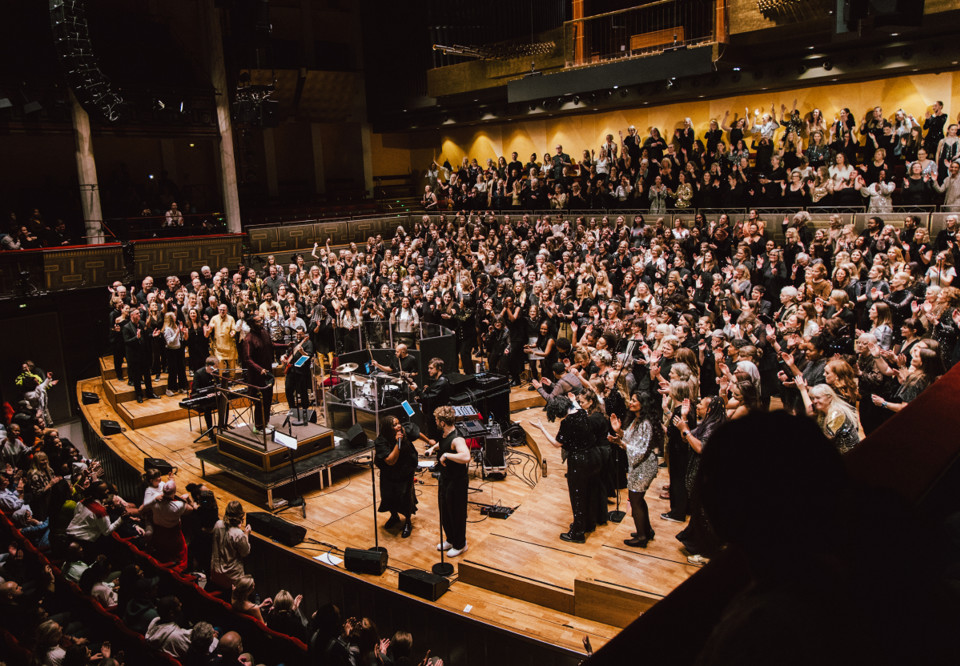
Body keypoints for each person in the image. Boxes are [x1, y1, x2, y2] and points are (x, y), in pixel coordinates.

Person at [535, 395, 602, 544]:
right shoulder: (582, 412)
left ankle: (577, 533)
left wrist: (542, 429)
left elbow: (557, 444)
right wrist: (572, 400)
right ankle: (588, 524)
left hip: (579, 461)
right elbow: (575, 405)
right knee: (590, 492)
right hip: (594, 456)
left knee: (578, 496)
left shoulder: (567, 422)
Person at [609, 392, 658, 547]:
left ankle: (642, 537)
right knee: (639, 499)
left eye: (634, 401)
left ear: (643, 404)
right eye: (631, 399)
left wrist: (621, 444)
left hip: (644, 465)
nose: (630, 402)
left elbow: (641, 450)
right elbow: (632, 440)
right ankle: (646, 530)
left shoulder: (645, 424)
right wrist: (619, 432)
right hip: (639, 464)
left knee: (635, 500)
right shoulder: (636, 420)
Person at [425, 406, 470, 557]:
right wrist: (433, 449)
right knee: (445, 511)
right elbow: (442, 443)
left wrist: (446, 455)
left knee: (456, 513)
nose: (435, 422)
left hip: (457, 481)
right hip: (445, 479)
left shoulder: (457, 439)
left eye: (437, 420)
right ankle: (451, 539)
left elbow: (466, 456)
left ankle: (460, 544)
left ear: (443, 422)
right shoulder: (446, 434)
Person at [374, 416, 418, 538]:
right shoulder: (381, 441)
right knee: (388, 496)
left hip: (405, 471)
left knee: (406, 497)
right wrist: (398, 442)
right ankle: (394, 516)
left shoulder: (402, 431)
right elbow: (390, 461)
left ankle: (408, 522)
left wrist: (429, 441)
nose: (398, 426)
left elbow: (417, 434)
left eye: (398, 423)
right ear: (388, 428)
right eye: (394, 425)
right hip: (389, 473)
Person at [240, 313, 275, 434]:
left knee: (268, 398)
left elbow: (271, 345)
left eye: (261, 320)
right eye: (258, 321)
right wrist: (260, 369)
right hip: (256, 375)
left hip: (268, 372)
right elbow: (248, 359)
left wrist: (287, 345)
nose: (261, 322)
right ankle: (259, 426)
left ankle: (266, 422)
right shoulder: (249, 339)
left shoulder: (264, 332)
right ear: (252, 324)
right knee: (260, 401)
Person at [210, 500, 252, 593]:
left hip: (216, 572)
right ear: (241, 515)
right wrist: (246, 534)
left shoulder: (218, 524)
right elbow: (245, 552)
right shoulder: (239, 534)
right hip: (231, 577)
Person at [123, 308, 158, 403]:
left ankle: (150, 393)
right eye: (137, 313)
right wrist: (136, 337)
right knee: (137, 377)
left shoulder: (142, 323)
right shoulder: (126, 327)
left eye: (139, 313)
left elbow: (146, 336)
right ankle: (139, 395)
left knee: (147, 375)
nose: (139, 315)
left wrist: (152, 335)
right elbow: (126, 341)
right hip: (134, 356)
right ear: (132, 315)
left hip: (144, 355)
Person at [419, 358, 451, 442]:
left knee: (435, 438)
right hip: (433, 414)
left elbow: (429, 398)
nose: (428, 370)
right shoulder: (438, 380)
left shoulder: (442, 381)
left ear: (439, 368)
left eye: (431, 368)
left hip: (437, 415)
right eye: (428, 368)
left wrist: (417, 390)